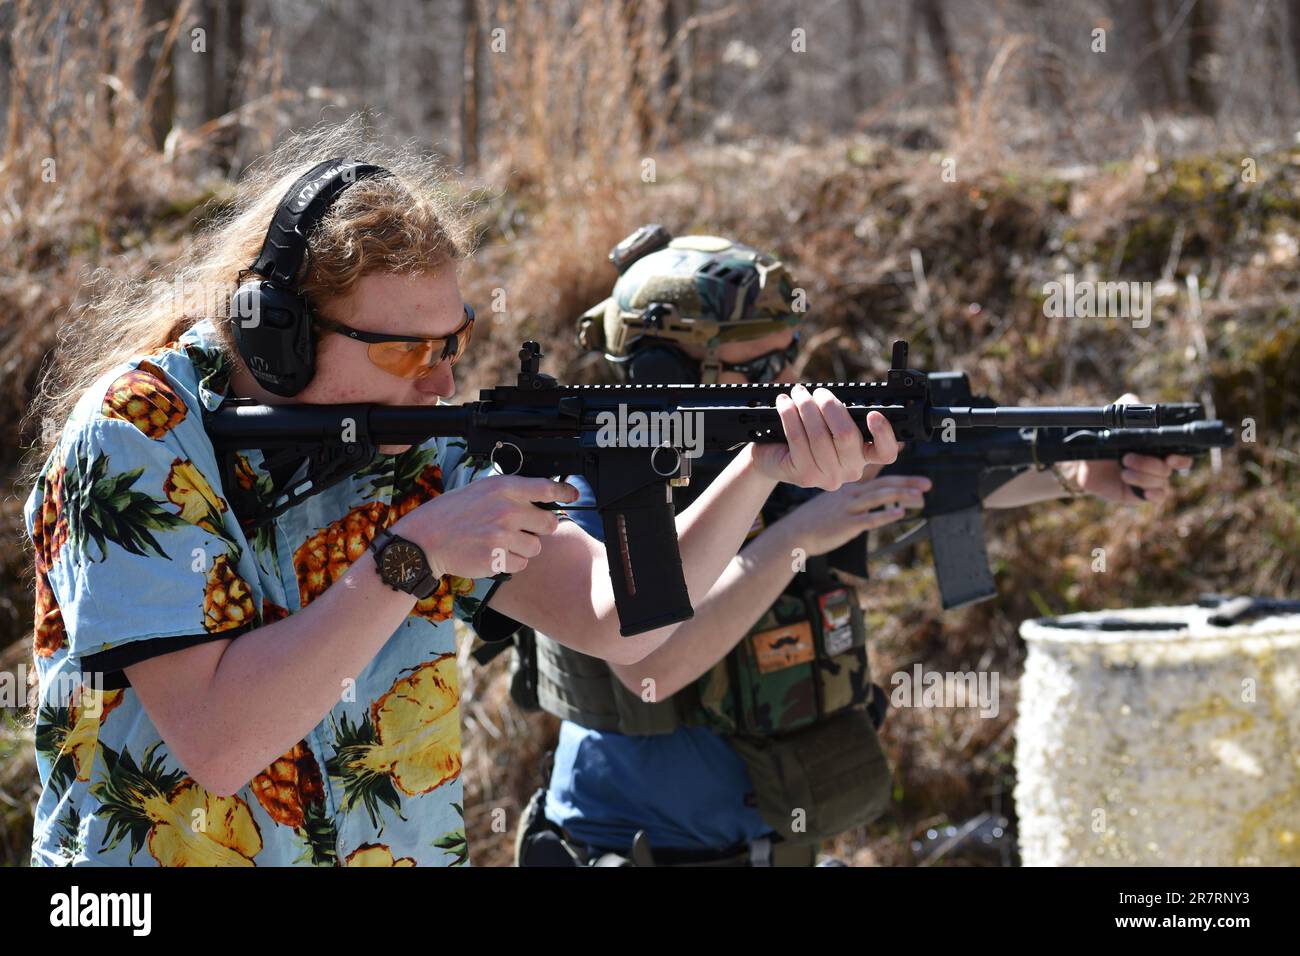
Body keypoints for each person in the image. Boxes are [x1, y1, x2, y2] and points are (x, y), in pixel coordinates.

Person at [22, 130, 897, 867]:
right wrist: (412, 559)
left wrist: (762, 471)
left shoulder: (411, 436)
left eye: (456, 340)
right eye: (409, 351)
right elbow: (219, 742)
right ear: (278, 337)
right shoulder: (137, 434)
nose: (443, 382)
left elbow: (617, 618)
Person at [511, 228, 1194, 867]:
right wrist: (799, 537)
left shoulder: (773, 446)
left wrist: (1080, 468)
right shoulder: (595, 480)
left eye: (787, 358)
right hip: (630, 849)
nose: (781, 382)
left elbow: (943, 473)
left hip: (774, 843)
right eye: (759, 366)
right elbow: (650, 665)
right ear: (667, 372)